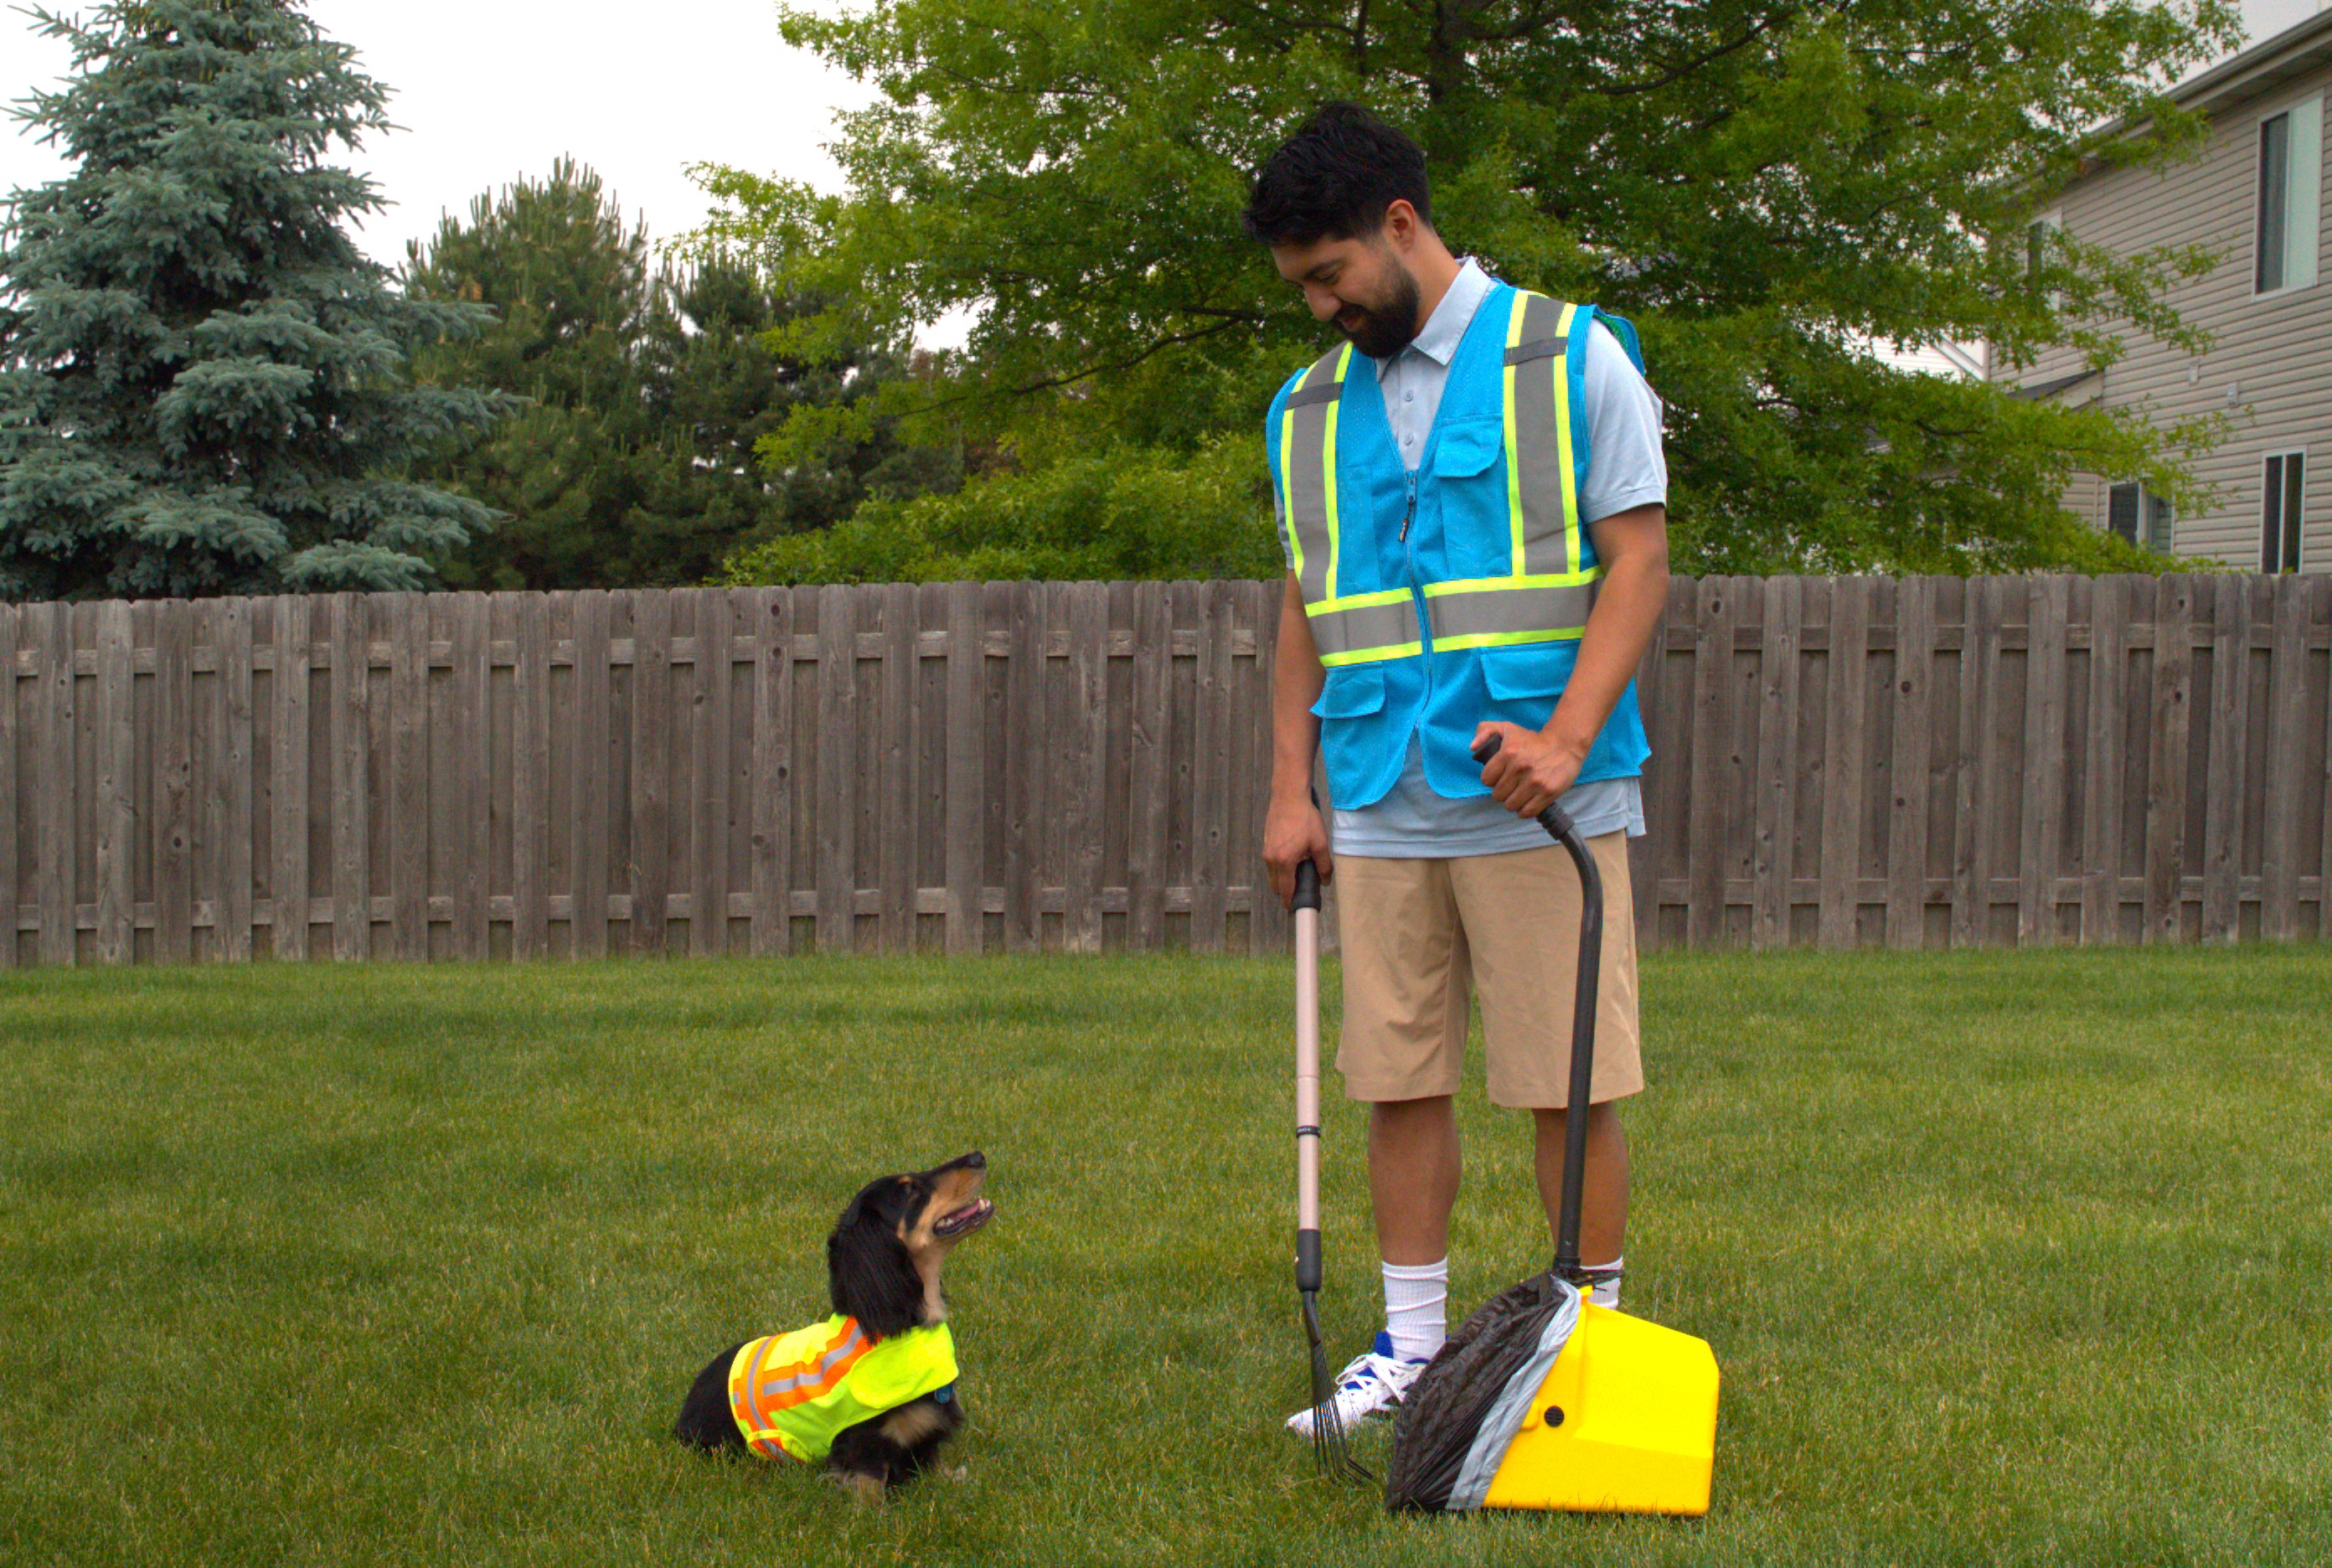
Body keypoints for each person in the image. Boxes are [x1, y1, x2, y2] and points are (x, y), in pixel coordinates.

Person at [1243, 104, 1672, 1439]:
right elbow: (1308, 607)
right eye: (1301, 286)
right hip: (1377, 797)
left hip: (1542, 798)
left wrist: (1567, 741)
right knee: (1396, 1075)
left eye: (1330, 275)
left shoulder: (1571, 357)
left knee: (1568, 1077)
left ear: (1402, 225)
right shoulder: (1306, 410)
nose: (1320, 306)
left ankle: (1584, 1346)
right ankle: (1416, 1352)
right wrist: (1288, 788)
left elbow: (1638, 562)